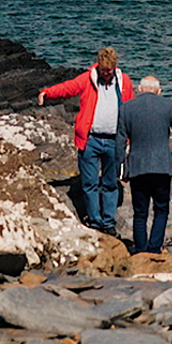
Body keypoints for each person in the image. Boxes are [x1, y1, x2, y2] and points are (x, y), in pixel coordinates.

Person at [38, 47, 135, 233]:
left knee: (110, 183)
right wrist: (47, 93)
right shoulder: (88, 78)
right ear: (98, 66)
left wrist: (131, 136)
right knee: (89, 183)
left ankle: (109, 222)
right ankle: (95, 220)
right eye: (103, 70)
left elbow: (130, 108)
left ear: (115, 67)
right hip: (90, 139)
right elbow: (68, 88)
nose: (106, 74)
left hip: (114, 141)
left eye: (109, 70)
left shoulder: (124, 81)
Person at [116, 76, 172, 254]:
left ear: (139, 89)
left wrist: (121, 170)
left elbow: (119, 143)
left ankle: (140, 249)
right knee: (161, 209)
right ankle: (154, 248)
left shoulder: (126, 108)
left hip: (137, 166)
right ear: (159, 91)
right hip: (162, 165)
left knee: (140, 212)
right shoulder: (168, 106)